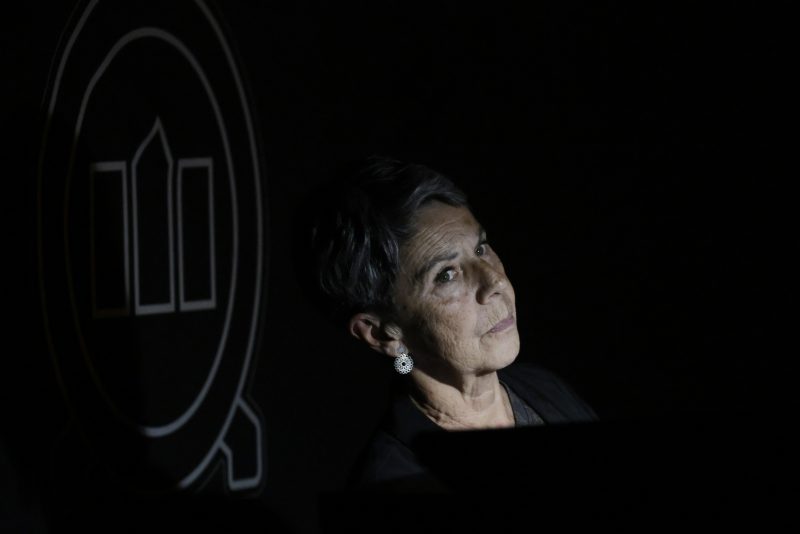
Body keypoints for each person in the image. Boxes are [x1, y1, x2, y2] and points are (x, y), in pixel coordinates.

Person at [297, 155, 597, 491]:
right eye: (446, 275)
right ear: (381, 333)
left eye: (481, 249)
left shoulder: (542, 387)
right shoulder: (395, 484)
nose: (495, 282)